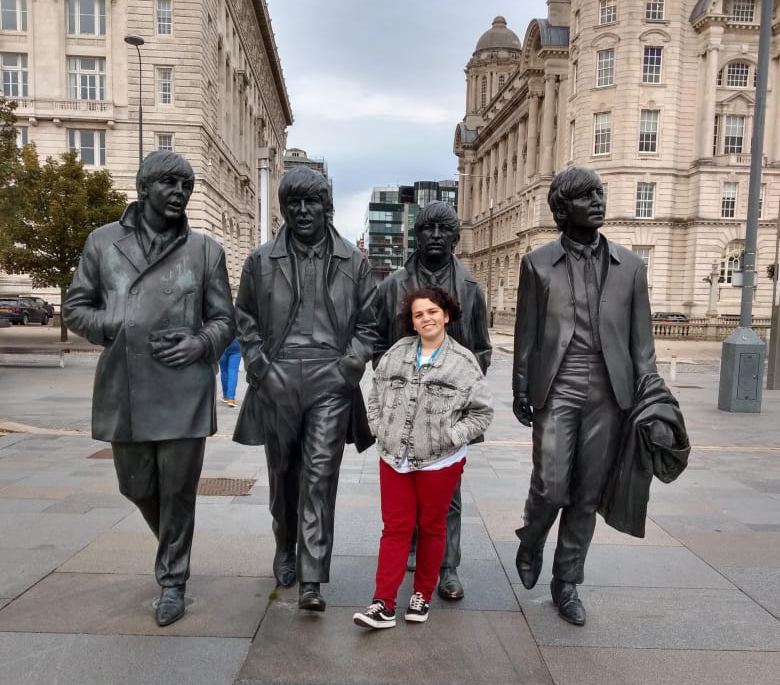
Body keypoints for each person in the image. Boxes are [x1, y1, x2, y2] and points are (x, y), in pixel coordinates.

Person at [63, 150, 235, 627]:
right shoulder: (102, 242)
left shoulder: (205, 250)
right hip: (126, 384)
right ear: (144, 188)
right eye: (170, 184)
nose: (180, 193)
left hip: (184, 387)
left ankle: (172, 581)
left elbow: (226, 319)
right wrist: (114, 322)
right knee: (135, 484)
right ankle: (173, 551)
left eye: (186, 186)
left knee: (179, 492)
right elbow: (76, 307)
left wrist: (201, 342)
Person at [512, 166, 657, 626]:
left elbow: (642, 343)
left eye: (599, 193)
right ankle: (532, 536)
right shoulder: (537, 263)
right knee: (551, 486)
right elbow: (527, 332)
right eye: (585, 196)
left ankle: (567, 582)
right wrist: (520, 385)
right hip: (557, 384)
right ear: (562, 209)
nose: (597, 201)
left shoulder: (630, 267)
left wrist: (649, 396)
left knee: (587, 494)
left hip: (610, 392)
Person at [233, 166, 377, 612]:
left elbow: (369, 325)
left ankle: (312, 576)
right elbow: (246, 320)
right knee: (284, 476)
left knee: (319, 477)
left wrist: (347, 368)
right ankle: (285, 545)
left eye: (311, 202)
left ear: (326, 206)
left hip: (330, 379)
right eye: (292, 203)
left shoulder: (354, 261)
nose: (302, 211)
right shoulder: (260, 261)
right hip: (276, 377)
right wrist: (260, 368)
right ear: (283, 209)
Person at [354, 286, 493, 629]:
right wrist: (378, 426)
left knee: (432, 528)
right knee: (395, 528)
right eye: (419, 314)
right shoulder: (397, 353)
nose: (426, 318)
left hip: (439, 461)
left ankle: (421, 594)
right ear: (412, 322)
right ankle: (382, 603)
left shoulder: (463, 362)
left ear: (446, 315)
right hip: (394, 457)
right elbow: (375, 394)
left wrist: (452, 436)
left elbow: (482, 413)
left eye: (432, 311)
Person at [373, 200, 491, 601]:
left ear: (457, 238)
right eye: (428, 229)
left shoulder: (471, 290)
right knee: (402, 492)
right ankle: (409, 548)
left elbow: (483, 350)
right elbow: (375, 340)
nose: (436, 236)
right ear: (416, 235)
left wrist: (460, 398)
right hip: (400, 410)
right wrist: (389, 393)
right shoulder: (391, 287)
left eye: (445, 230)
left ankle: (447, 567)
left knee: (447, 497)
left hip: (446, 414)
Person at [219, 338, 242, 406]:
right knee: (233, 371)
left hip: (221, 345)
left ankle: (225, 396)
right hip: (236, 345)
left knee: (224, 372)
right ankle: (231, 398)